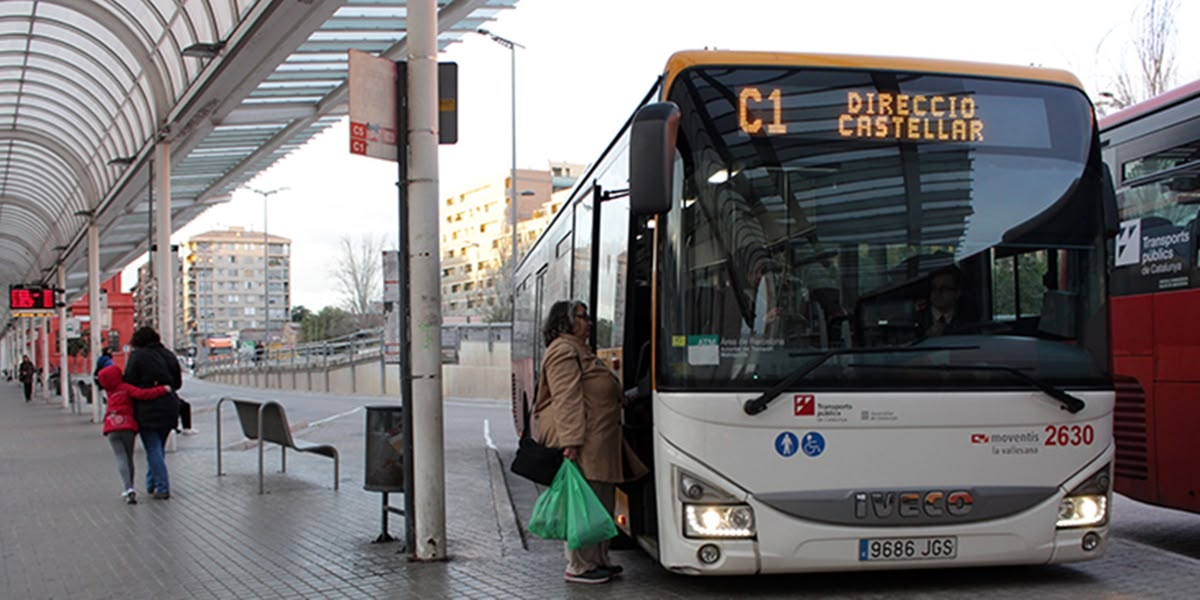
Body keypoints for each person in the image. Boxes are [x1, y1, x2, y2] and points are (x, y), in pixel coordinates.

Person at [532, 300, 647, 585]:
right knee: (584, 504)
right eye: (583, 317)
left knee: (600, 503)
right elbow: (566, 398)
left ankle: (598, 560)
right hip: (585, 443)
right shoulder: (562, 350)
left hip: (601, 439)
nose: (589, 322)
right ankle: (579, 566)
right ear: (566, 322)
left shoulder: (580, 349)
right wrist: (570, 442)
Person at [97, 364, 172, 504]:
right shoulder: (125, 388)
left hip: (111, 427)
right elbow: (143, 394)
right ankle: (132, 485)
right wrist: (162, 389)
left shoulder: (109, 391)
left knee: (120, 457)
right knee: (129, 457)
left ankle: (128, 488)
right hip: (127, 427)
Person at [123, 326, 182, 500]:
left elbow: (129, 383)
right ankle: (151, 482)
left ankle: (162, 487)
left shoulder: (137, 357)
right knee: (157, 448)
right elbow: (177, 383)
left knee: (153, 448)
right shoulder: (169, 355)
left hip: (147, 407)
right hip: (170, 407)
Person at [917, 265, 972, 338]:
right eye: (934, 287)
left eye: (944, 288)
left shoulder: (968, 323)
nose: (937, 292)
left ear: (957, 293)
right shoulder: (916, 319)